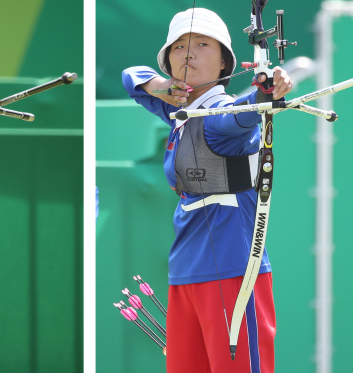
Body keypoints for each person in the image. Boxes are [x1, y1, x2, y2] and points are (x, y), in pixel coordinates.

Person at [122, 8, 293, 373]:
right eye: (179, 46)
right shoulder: (178, 111)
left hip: (232, 271)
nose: (188, 53)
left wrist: (265, 90)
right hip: (185, 271)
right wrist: (159, 87)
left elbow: (241, 114)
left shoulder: (216, 114)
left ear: (224, 64)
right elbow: (130, 77)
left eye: (202, 44)